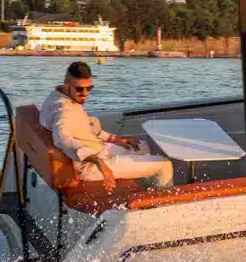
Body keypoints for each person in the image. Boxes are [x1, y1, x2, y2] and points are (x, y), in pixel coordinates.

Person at [39, 61, 173, 192]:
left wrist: (115, 139)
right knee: (164, 165)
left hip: (98, 149)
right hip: (90, 166)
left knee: (141, 147)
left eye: (89, 88)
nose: (85, 93)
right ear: (66, 82)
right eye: (79, 89)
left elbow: (83, 127)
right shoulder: (63, 111)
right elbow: (62, 139)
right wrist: (99, 163)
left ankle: (147, 194)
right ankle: (163, 204)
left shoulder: (60, 95)